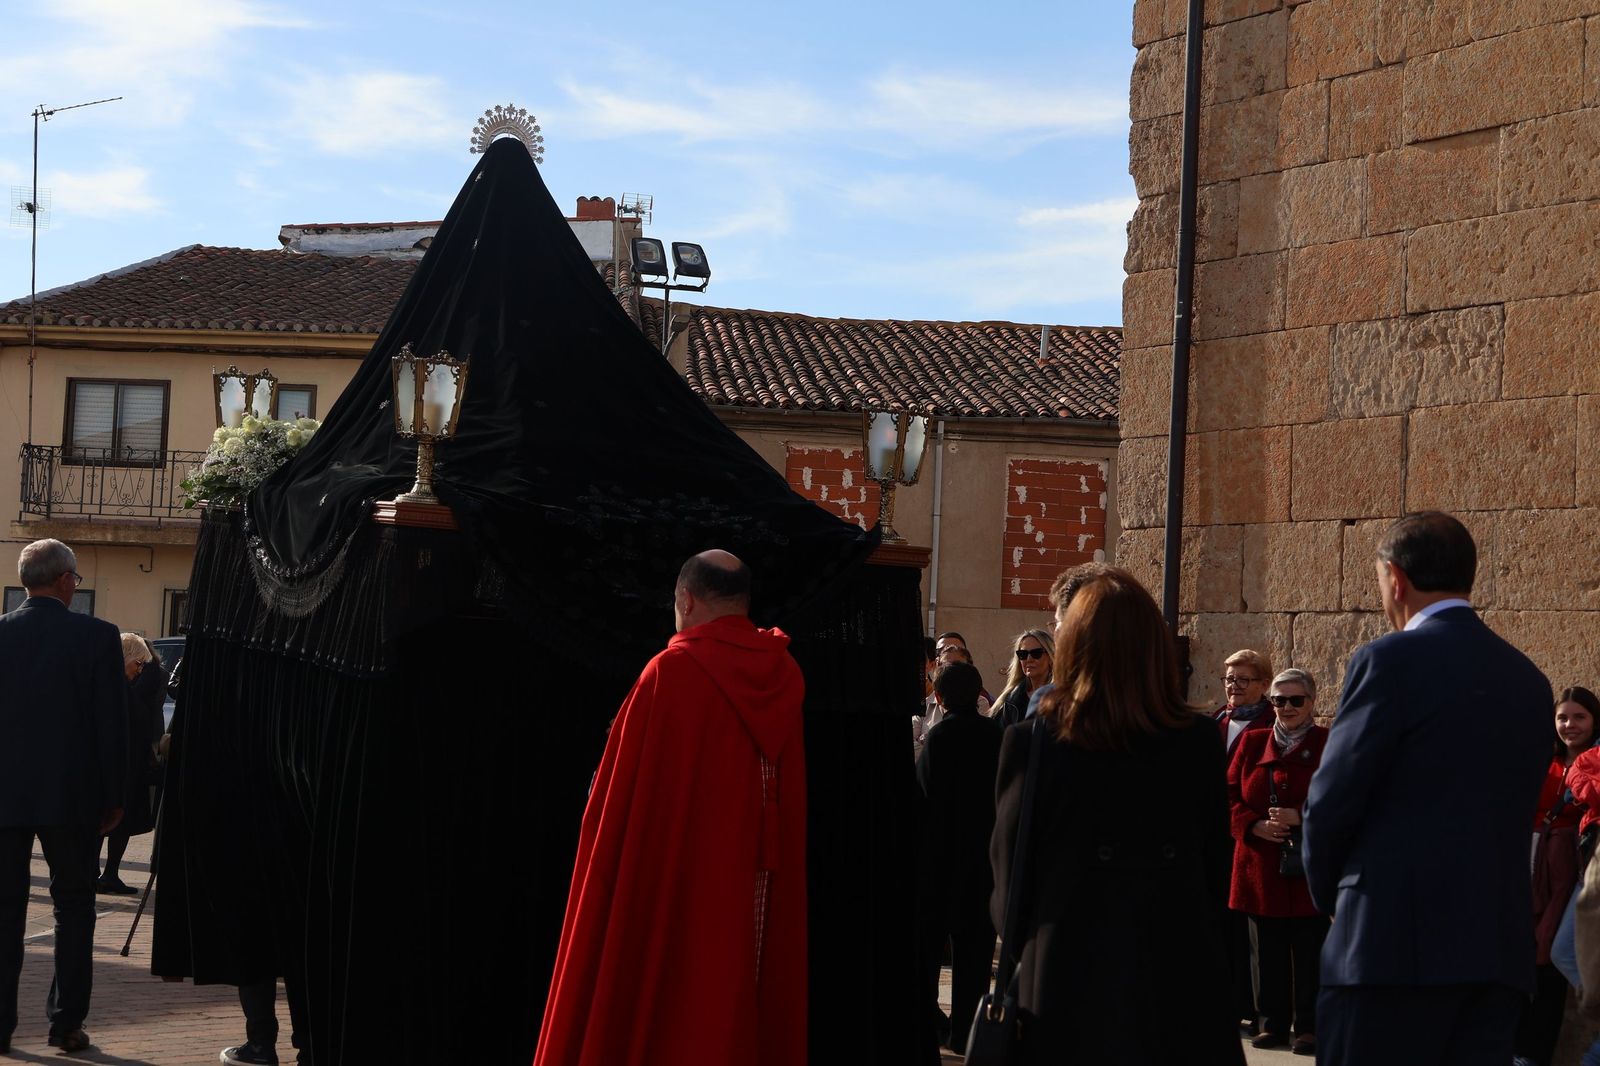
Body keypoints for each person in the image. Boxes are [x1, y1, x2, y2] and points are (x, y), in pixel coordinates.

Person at [535, 550, 806, 1066]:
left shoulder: (671, 672)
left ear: (685, 598)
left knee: (666, 1003)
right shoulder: (783, 674)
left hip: (674, 878)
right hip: (754, 882)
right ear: (743, 604)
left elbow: (615, 804)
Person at [1303, 511, 1552, 1066]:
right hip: (1494, 953)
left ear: (1395, 578)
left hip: (1387, 948)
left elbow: (1331, 802)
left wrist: (1336, 900)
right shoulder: (1528, 678)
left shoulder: (1388, 660)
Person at [989, 567, 1245, 1064]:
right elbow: (1216, 875)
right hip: (1179, 978)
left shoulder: (1035, 741)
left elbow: (1009, 888)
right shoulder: (1195, 742)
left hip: (1066, 981)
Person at [0, 539, 126, 1055]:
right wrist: (116, 796)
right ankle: (66, 1022)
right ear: (63, 580)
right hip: (73, 796)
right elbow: (110, 726)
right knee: (73, 908)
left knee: (3, 911)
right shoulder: (96, 637)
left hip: (5, 795)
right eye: (74, 578)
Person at [1227, 668, 1329, 1057]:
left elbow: (1343, 798)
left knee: (1309, 951)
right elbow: (1228, 794)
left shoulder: (1328, 744)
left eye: (1295, 700)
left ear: (1311, 702)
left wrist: (1302, 816)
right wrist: (1252, 825)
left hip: (1307, 866)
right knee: (1264, 951)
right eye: (1278, 700)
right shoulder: (1252, 743)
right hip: (1259, 864)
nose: (1286, 707)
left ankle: (1309, 1026)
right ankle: (1269, 1022)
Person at [915, 660, 1002, 1057]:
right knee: (975, 954)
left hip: (939, 861)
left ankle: (929, 1025)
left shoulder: (939, 738)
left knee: (930, 950)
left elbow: (924, 800)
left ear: (939, 696)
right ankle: (967, 1030)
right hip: (983, 862)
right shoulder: (996, 735)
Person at [1513, 686, 1599, 1066]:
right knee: (1527, 956)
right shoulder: (1543, 760)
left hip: (1573, 871)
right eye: (1563, 717)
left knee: (1554, 955)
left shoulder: (1595, 761)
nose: (1570, 725)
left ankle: (1532, 1055)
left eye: (1579, 716)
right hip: (1532, 870)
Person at [1213, 647, 1273, 1036]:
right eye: (1229, 679)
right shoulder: (1217, 720)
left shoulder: (1272, 722)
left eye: (1243, 679)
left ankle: (1255, 1007)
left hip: (1250, 844)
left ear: (1263, 685)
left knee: (1250, 934)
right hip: (1215, 840)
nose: (1233, 687)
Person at [98, 633, 167, 895]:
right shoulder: (116, 689)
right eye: (138, 664)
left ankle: (105, 873)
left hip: (125, 766)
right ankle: (103, 874)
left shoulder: (120, 686)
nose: (140, 670)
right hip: (118, 768)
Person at [994, 628, 1053, 729]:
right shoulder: (1011, 700)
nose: (1029, 659)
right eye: (1023, 654)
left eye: (1036, 653)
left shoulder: (1063, 697)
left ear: (1051, 657)